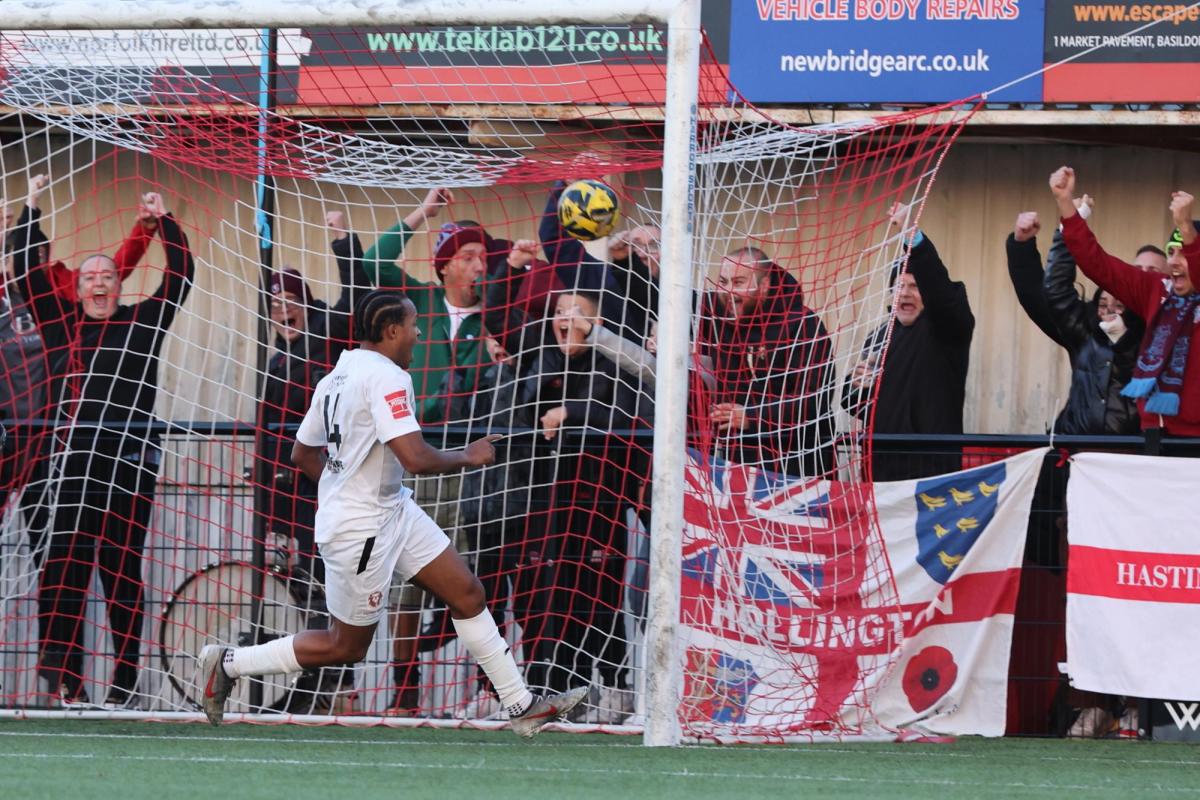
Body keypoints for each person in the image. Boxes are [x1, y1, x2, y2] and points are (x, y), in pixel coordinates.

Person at [198, 290, 587, 737]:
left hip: (394, 510)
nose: (419, 332)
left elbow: (302, 452)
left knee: (468, 594)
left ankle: (521, 707)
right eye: (414, 324)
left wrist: (340, 488)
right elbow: (415, 457)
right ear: (391, 331)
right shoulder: (386, 377)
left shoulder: (338, 375)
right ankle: (228, 663)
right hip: (362, 528)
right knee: (346, 646)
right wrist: (469, 455)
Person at [12, 176, 194, 707]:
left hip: (126, 466)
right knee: (63, 572)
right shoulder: (58, 325)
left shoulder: (141, 323)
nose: (98, 283)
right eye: (89, 276)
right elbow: (25, 266)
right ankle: (66, 682)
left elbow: (179, 277)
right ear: (76, 287)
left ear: (119, 284)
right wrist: (32, 205)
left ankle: (125, 683)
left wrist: (165, 225)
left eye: (108, 275)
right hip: (65, 468)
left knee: (121, 576)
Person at [256, 210, 367, 713]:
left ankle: (335, 688)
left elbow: (359, 299)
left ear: (304, 303)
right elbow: (268, 439)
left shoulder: (325, 338)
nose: (284, 310)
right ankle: (326, 687)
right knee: (306, 594)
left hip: (328, 490)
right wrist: (266, 507)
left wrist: (343, 241)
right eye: (275, 303)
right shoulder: (276, 361)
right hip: (289, 499)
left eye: (290, 300)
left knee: (335, 592)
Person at [1050, 166, 1200, 436]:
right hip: (1154, 434)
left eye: (1184, 254)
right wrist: (1065, 204)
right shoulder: (1157, 290)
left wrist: (1186, 227)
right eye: (1171, 253)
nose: (1174, 262)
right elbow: (1098, 265)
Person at [843, 204, 975, 481]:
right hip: (878, 471)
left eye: (914, 287)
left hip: (929, 473)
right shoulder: (879, 336)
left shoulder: (946, 330)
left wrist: (912, 237)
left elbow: (942, 293)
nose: (905, 293)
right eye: (899, 286)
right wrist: (854, 385)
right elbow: (856, 404)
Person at [699, 245, 835, 479]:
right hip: (734, 461)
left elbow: (815, 400)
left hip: (798, 464)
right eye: (723, 281)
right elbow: (650, 290)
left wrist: (751, 416)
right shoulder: (711, 313)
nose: (728, 291)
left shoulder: (803, 323)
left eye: (739, 282)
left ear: (764, 286)